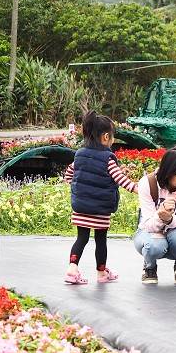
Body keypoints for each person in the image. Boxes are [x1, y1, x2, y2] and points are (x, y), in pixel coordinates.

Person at [64, 110, 138, 284]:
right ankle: (101, 272)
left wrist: (79, 187)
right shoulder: (107, 159)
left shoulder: (79, 155)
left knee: (81, 239)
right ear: (106, 137)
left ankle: (72, 269)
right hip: (99, 211)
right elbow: (119, 178)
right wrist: (136, 188)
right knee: (100, 241)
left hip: (81, 208)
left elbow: (69, 175)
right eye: (112, 137)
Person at [134, 147, 176, 284]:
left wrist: (169, 219)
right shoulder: (148, 184)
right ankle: (150, 267)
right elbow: (148, 223)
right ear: (168, 172)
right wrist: (160, 216)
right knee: (155, 245)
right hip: (150, 232)